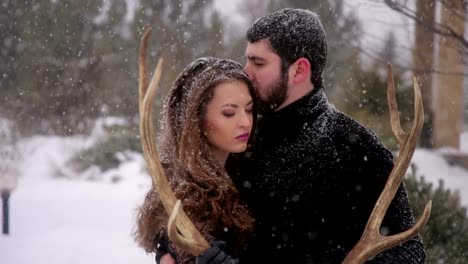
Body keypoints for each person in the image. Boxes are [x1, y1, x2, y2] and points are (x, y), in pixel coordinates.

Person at [161, 8, 427, 264]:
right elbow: (176, 212)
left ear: (299, 70)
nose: (246, 71)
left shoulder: (358, 150)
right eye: (247, 59)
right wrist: (169, 253)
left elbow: (408, 250)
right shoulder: (238, 136)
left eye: (258, 62)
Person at [134, 57, 258, 264]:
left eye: (249, 109)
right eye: (229, 113)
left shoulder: (251, 168)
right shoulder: (192, 199)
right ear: (196, 118)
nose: (245, 122)